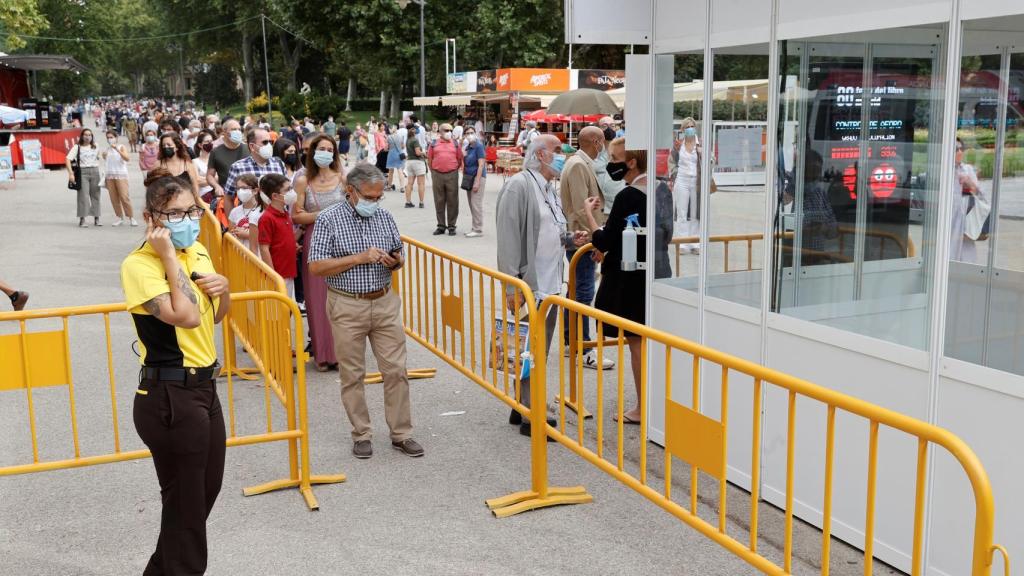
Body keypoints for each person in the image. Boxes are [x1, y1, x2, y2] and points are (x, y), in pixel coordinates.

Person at [121, 168, 230, 576]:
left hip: (204, 389)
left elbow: (215, 316)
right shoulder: (139, 265)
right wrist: (168, 257)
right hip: (170, 396)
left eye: (193, 211)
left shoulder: (199, 250)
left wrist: (226, 288)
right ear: (152, 220)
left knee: (200, 496)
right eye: (176, 215)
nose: (188, 222)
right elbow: (184, 317)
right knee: (186, 510)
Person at [307, 163, 424, 460]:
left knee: (396, 370)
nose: (375, 202)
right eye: (369, 197)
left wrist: (395, 262)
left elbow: (399, 253)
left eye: (378, 196)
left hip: (384, 301)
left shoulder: (384, 216)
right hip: (347, 303)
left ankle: (402, 433)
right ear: (351, 190)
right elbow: (316, 266)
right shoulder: (328, 219)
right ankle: (361, 433)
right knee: (352, 374)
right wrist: (359, 257)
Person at [495, 135, 572, 437]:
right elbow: (509, 237)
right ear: (540, 155)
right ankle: (532, 411)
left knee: (535, 347)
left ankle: (522, 402)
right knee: (531, 348)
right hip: (530, 284)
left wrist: (569, 239)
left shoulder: (548, 188)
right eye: (557, 151)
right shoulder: (519, 186)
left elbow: (550, 229)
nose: (563, 155)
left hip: (551, 283)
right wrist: (512, 285)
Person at [579, 139, 648, 424]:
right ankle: (649, 404)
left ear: (631, 162)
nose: (611, 165)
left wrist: (589, 216)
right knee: (647, 342)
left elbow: (606, 239)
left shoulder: (628, 195)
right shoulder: (659, 189)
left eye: (616, 158)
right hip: (653, 272)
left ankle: (643, 408)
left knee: (636, 343)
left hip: (629, 278)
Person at [559, 126, 614, 370]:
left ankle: (573, 342)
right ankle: (584, 348)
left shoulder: (579, 162)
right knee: (582, 292)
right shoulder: (579, 165)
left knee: (577, 290)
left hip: (578, 234)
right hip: (582, 235)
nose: (603, 147)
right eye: (601, 142)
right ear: (595, 141)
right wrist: (596, 239)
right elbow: (583, 209)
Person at [293, 134, 345, 372]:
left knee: (343, 297)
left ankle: (343, 353)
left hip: (343, 240)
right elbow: (296, 215)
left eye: (329, 148)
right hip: (315, 241)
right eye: (321, 148)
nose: (326, 152)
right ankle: (322, 355)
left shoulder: (343, 178)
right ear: (312, 152)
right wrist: (323, 216)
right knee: (316, 299)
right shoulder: (303, 180)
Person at [257, 173, 300, 299]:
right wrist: (273, 275)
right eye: (287, 190)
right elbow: (264, 248)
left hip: (289, 270)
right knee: (280, 311)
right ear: (275, 196)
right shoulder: (267, 218)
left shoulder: (285, 213)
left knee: (288, 310)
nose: (291, 192)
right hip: (278, 274)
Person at [224, 128, 287, 198]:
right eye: (265, 142)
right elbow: (228, 197)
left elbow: (286, 191)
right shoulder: (238, 167)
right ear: (252, 146)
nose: (269, 145)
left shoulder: (279, 163)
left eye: (271, 142)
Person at [952, 137, 986, 263]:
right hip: (949, 219)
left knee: (966, 255)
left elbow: (981, 195)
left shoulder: (967, 169)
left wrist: (969, 182)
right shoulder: (943, 170)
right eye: (956, 149)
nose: (960, 152)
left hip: (965, 218)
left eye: (961, 149)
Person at [672, 117, 702, 253]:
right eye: (687, 126)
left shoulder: (700, 143)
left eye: (692, 126)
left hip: (696, 181)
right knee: (682, 213)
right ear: (683, 129)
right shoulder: (679, 144)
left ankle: (695, 243)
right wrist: (674, 174)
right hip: (682, 180)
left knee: (695, 213)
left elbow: (711, 160)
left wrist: (704, 155)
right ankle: (683, 243)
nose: (690, 128)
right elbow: (671, 162)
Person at [428, 123, 464, 236]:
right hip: (437, 174)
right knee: (439, 200)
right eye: (446, 130)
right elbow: (430, 159)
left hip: (452, 174)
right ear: (440, 132)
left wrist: (453, 169)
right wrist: (434, 170)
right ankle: (441, 226)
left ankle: (452, 226)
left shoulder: (455, 143)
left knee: (453, 200)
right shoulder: (434, 144)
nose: (449, 132)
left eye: (450, 130)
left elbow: (459, 159)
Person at [66, 128, 103, 228]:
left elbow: (100, 157)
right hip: (83, 172)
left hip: (95, 171)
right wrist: (71, 173)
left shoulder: (96, 146)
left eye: (90, 135)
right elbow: (68, 159)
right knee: (83, 196)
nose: (88, 137)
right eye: (85, 135)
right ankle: (82, 219)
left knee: (96, 195)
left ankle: (97, 218)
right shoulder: (77, 147)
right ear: (82, 136)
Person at [102, 130, 136, 227]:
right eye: (108, 137)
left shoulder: (121, 147)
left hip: (121, 175)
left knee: (124, 196)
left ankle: (131, 217)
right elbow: (106, 159)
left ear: (116, 138)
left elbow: (127, 158)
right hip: (110, 176)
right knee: (114, 198)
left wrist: (117, 149)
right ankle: (119, 217)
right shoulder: (107, 149)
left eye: (111, 137)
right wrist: (104, 155)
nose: (110, 139)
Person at [207, 119, 248, 199]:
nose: (237, 132)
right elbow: (209, 175)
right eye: (233, 129)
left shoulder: (248, 148)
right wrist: (217, 186)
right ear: (224, 132)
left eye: (239, 129)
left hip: (248, 193)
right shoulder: (216, 152)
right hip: (227, 194)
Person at [460, 125, 487, 237]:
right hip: (469, 178)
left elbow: (481, 164)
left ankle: (478, 229)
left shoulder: (478, 146)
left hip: (477, 177)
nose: (470, 135)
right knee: (472, 204)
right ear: (465, 135)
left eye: (472, 132)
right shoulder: (468, 147)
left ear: (475, 133)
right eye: (467, 133)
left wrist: (477, 181)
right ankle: (474, 227)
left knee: (476, 203)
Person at [157, 132, 200, 199]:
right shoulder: (158, 165)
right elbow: (151, 188)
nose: (166, 147)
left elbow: (195, 187)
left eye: (169, 145)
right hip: (165, 204)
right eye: (163, 145)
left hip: (185, 204)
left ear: (177, 147)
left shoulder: (187, 164)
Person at [227, 173, 262, 251]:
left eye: (244, 188)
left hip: (257, 256)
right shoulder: (234, 212)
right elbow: (230, 235)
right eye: (238, 188)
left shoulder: (262, 211)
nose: (240, 191)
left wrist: (249, 235)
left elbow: (267, 236)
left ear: (255, 191)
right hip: (239, 256)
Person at [404, 125, 427, 209]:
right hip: (417, 162)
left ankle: (408, 201)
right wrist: (424, 153)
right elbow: (417, 153)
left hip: (409, 162)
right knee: (421, 183)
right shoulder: (415, 140)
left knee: (410, 183)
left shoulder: (408, 140)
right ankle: (421, 202)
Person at [193, 129, 216, 203]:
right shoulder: (195, 162)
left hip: (216, 195)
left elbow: (221, 177)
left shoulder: (216, 159)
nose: (210, 143)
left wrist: (205, 179)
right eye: (207, 142)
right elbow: (197, 181)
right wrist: (213, 179)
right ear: (200, 145)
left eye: (211, 141)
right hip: (202, 197)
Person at [385, 124, 406, 192]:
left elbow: (386, 148)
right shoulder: (400, 136)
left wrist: (389, 148)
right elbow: (403, 146)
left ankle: (389, 186)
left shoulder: (388, 137)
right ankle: (402, 187)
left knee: (391, 172)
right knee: (400, 171)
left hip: (391, 155)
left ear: (392, 130)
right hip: (399, 154)